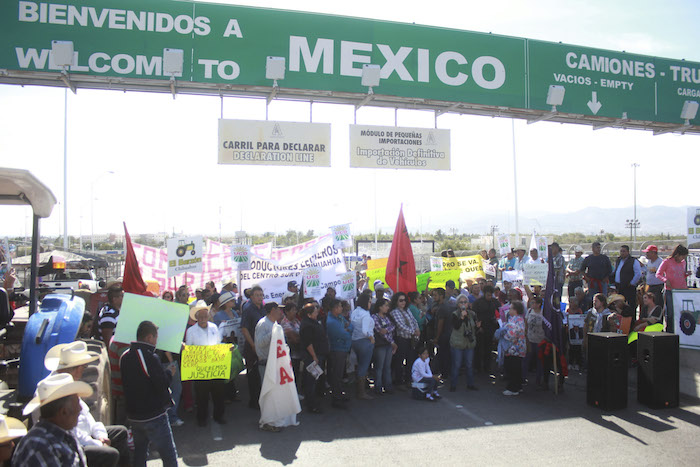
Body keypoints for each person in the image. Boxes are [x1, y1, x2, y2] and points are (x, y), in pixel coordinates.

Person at [46, 341, 129, 466]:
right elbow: (73, 433)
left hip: (83, 436)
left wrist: (100, 435)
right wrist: (98, 444)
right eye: (83, 367)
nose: (83, 371)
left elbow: (87, 416)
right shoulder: (53, 388)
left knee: (120, 432)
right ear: (78, 368)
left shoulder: (70, 384)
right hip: (71, 442)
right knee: (109, 455)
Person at [120, 321, 177, 466]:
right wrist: (169, 373)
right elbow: (161, 383)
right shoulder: (148, 357)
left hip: (134, 416)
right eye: (156, 338)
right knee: (169, 455)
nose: (157, 341)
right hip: (153, 415)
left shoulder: (125, 356)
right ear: (149, 337)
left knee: (140, 454)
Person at [14, 373, 93, 466]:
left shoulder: (65, 435)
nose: (80, 409)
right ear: (63, 412)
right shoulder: (38, 446)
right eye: (77, 403)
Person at [185, 301, 227, 427]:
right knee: (201, 395)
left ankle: (219, 416)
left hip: (215, 366)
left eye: (205, 315)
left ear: (208, 316)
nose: (203, 318)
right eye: (200, 316)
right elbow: (189, 348)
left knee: (218, 393)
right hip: (200, 368)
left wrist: (226, 348)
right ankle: (201, 418)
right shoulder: (191, 331)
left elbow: (219, 343)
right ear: (196, 317)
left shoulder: (214, 327)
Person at [254, 301, 287, 432]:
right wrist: (273, 333)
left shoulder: (274, 324)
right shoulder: (263, 324)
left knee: (273, 392)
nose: (281, 312)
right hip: (266, 362)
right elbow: (260, 343)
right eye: (279, 309)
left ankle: (273, 419)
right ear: (273, 310)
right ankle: (267, 421)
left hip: (274, 361)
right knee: (268, 392)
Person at [299, 302, 329, 414]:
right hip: (312, 357)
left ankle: (313, 401)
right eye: (315, 312)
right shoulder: (306, 325)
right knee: (311, 381)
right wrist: (314, 357)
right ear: (309, 314)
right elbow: (308, 343)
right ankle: (311, 405)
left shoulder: (312, 322)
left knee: (315, 380)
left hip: (318, 354)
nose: (317, 313)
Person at [241, 285, 266, 409]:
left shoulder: (262, 308)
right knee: (253, 374)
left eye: (261, 295)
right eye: (257, 295)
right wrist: (253, 345)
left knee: (262, 373)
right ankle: (254, 401)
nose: (260, 297)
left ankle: (261, 398)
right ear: (251, 296)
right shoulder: (248, 309)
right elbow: (244, 329)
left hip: (263, 345)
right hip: (252, 346)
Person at [326, 299, 353, 408]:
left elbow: (350, 326)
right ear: (335, 308)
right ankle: (336, 399)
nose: (342, 308)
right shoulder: (332, 322)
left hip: (343, 348)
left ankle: (339, 394)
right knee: (337, 375)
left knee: (340, 374)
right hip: (337, 350)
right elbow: (344, 334)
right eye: (340, 307)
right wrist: (347, 330)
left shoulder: (339, 317)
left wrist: (347, 329)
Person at [656, 244, 690, 331]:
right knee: (670, 313)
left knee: (681, 312)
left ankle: (680, 330)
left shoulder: (683, 263)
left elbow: (681, 275)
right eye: (682, 257)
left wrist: (686, 275)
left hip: (681, 290)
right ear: (677, 254)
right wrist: (665, 280)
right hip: (670, 291)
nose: (683, 259)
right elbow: (658, 274)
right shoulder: (667, 261)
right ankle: (670, 330)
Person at [390, 292, 420, 388]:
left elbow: (414, 320)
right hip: (401, 339)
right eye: (400, 300)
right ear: (396, 301)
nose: (403, 302)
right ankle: (398, 382)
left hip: (410, 339)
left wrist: (417, 329)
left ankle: (408, 379)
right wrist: (413, 331)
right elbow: (401, 326)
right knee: (399, 361)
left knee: (410, 360)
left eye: (404, 300)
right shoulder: (394, 312)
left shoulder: (407, 310)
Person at [449, 294, 477, 391]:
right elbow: (456, 326)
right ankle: (453, 385)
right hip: (458, 343)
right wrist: (461, 317)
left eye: (465, 302)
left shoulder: (472, 314)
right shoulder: (454, 314)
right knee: (457, 364)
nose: (463, 304)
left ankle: (470, 384)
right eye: (461, 302)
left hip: (469, 343)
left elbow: (474, 328)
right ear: (458, 304)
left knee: (469, 364)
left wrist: (478, 326)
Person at [350, 291, 375, 400]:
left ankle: (358, 389)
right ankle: (361, 392)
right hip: (364, 342)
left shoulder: (355, 311)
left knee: (359, 365)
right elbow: (365, 331)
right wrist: (371, 337)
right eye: (369, 301)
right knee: (363, 366)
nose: (370, 304)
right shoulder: (365, 314)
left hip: (355, 340)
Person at [499, 300, 527, 396]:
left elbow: (512, 334)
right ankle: (517, 386)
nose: (509, 310)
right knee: (515, 368)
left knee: (512, 368)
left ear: (515, 310)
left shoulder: (516, 320)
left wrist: (503, 334)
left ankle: (513, 388)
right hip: (515, 348)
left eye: (511, 308)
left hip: (515, 349)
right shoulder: (514, 319)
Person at [472, 285, 499, 376]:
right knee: (479, 348)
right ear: (484, 294)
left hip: (490, 328)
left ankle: (487, 367)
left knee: (488, 348)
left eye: (491, 295)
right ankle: (477, 367)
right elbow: (474, 316)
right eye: (488, 295)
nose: (489, 297)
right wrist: (478, 327)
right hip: (480, 328)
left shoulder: (494, 302)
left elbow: (499, 312)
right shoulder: (478, 302)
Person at [372, 298, 397, 395]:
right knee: (379, 367)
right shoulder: (374, 317)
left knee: (387, 366)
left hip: (388, 345)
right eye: (385, 305)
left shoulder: (387, 317)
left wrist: (387, 330)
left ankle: (388, 386)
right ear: (380, 307)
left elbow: (392, 327)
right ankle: (378, 386)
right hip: (381, 345)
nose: (387, 307)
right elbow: (380, 331)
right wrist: (391, 340)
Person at [613, 245, 642, 311]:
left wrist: (632, 283)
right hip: (619, 287)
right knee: (620, 305)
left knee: (630, 305)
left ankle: (632, 321)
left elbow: (638, 274)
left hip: (629, 287)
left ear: (628, 252)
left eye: (624, 251)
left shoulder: (633, 261)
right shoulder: (618, 260)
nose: (622, 253)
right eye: (621, 251)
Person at [432, 288, 452, 380]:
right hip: (448, 334)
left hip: (443, 335)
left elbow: (440, 324)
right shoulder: (445, 305)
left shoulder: (442, 308)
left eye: (435, 295)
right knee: (445, 354)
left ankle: (444, 374)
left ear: (441, 296)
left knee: (443, 355)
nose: (433, 297)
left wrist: (437, 337)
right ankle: (445, 373)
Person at [525, 297, 545, 389]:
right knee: (527, 359)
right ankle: (523, 378)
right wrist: (525, 336)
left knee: (540, 360)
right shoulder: (529, 311)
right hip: (530, 339)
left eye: (533, 303)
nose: (531, 305)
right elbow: (526, 323)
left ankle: (539, 379)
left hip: (540, 340)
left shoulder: (543, 313)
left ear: (539, 304)